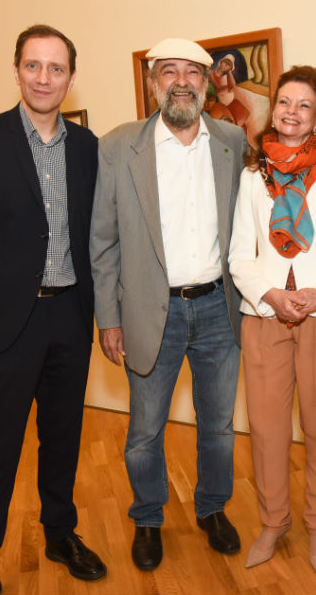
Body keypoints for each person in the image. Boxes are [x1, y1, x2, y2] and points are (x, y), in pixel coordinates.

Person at [0, 24, 106, 595]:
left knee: (62, 441)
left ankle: (60, 535)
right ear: (16, 70)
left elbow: (92, 233)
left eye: (56, 68)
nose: (43, 78)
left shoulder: (87, 148)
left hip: (69, 318)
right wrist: (2, 289)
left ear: (70, 77)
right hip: (6, 325)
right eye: (33, 65)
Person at [90, 38, 247, 571]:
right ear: (153, 82)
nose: (181, 82)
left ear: (206, 82)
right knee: (145, 431)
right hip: (150, 313)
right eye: (168, 72)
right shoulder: (117, 146)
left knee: (219, 425)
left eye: (192, 72)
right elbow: (103, 242)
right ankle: (148, 518)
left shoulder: (231, 141)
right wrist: (108, 318)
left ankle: (213, 509)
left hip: (219, 310)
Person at [229, 65, 316, 576]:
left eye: (304, 105)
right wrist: (271, 295)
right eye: (285, 101)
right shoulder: (252, 176)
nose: (292, 111)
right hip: (264, 316)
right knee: (266, 430)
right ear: (274, 109)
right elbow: (239, 255)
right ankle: (273, 522)